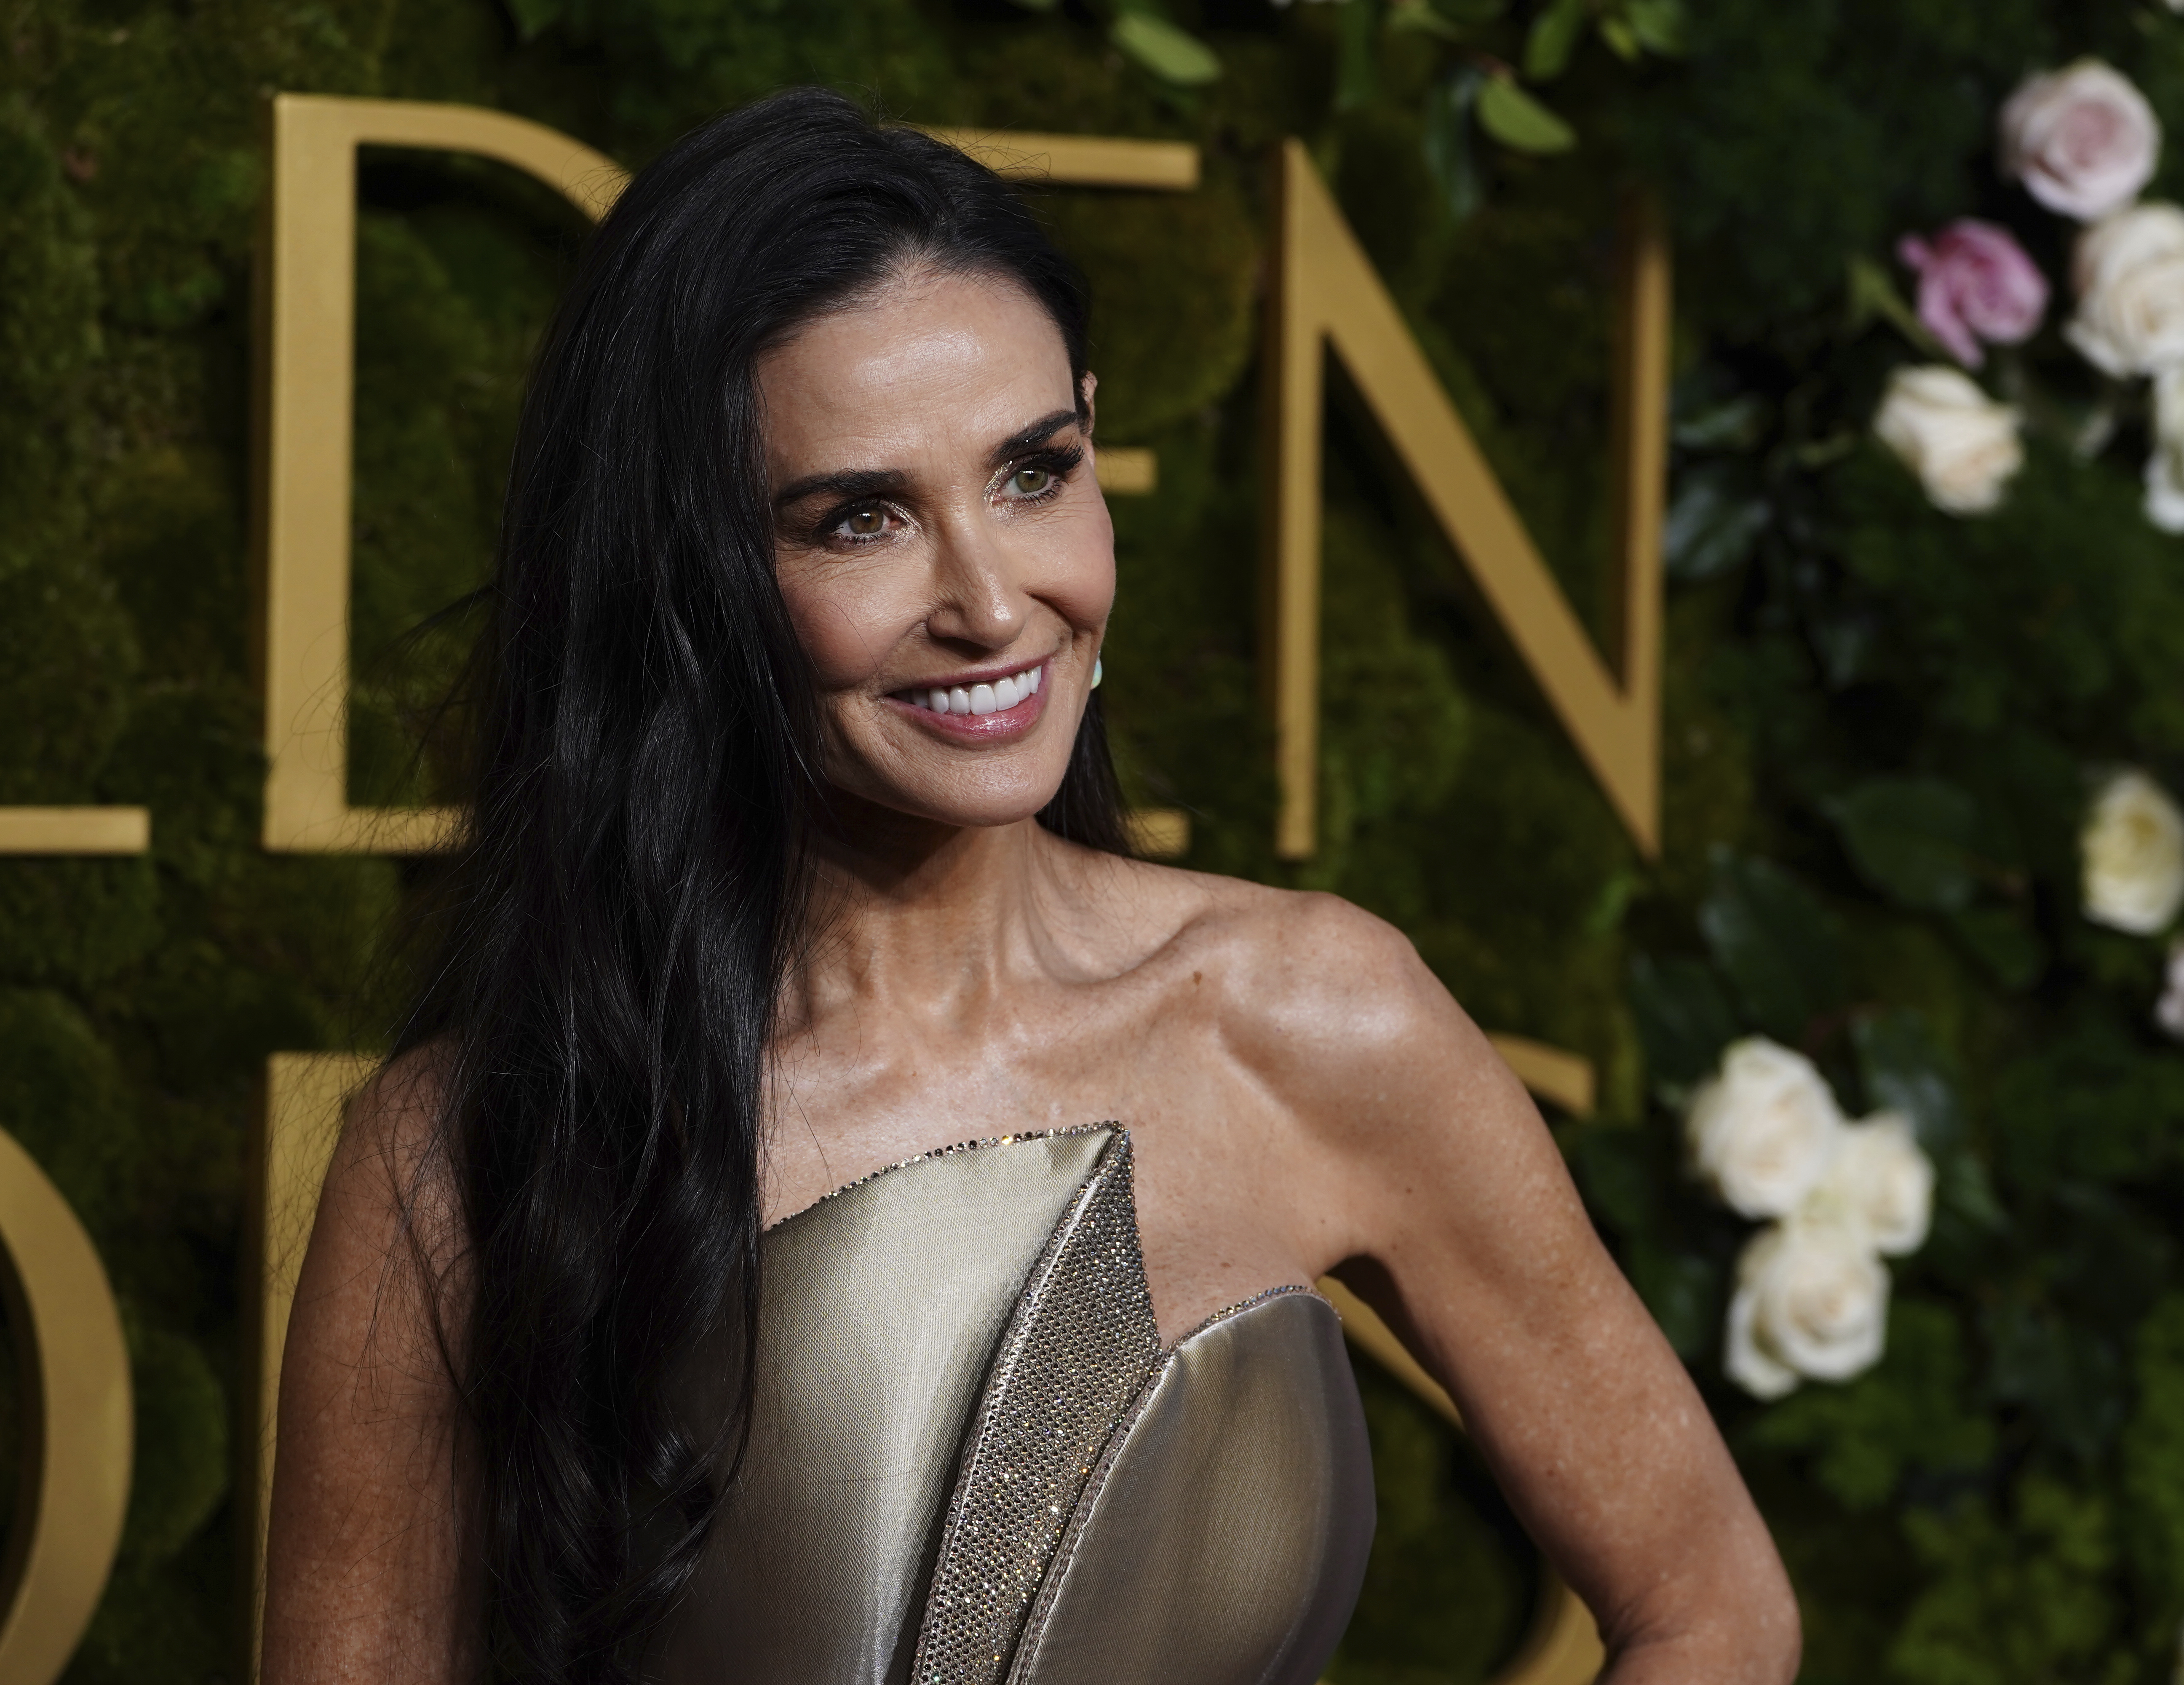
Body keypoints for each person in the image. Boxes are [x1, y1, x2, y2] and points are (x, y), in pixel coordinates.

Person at [262, 87, 1799, 1685]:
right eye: (858, 520)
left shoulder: (1317, 1020)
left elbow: (1714, 1610)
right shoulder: (471, 1155)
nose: (994, 605)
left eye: (1032, 472)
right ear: (687, 575)